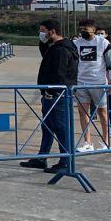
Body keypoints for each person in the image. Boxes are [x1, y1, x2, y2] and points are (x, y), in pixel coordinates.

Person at [21, 19, 78, 173]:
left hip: (56, 95)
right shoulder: (57, 47)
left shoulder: (61, 50)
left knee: (60, 127)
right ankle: (42, 157)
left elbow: (59, 74)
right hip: (53, 94)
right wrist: (43, 42)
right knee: (47, 127)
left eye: (43, 31)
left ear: (52, 31)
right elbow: (45, 55)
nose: (41, 33)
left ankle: (66, 161)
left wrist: (50, 92)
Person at [73, 20, 111, 151]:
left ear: (93, 29)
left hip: (99, 82)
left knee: (102, 112)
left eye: (86, 29)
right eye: (81, 29)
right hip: (81, 82)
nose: (83, 31)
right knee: (83, 112)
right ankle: (87, 142)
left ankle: (105, 141)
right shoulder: (76, 43)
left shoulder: (103, 43)